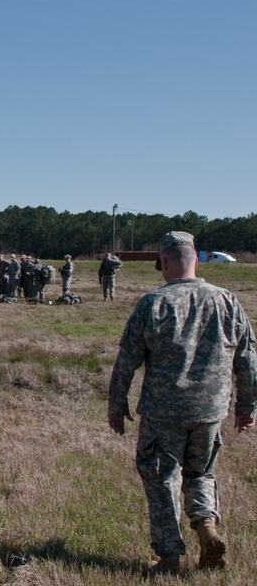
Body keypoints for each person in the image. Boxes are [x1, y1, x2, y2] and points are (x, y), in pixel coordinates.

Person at [108, 231, 257, 577]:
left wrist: (117, 406)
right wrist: (247, 407)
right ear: (196, 259)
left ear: (167, 261)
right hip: (209, 413)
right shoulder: (228, 302)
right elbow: (248, 360)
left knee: (161, 479)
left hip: (164, 412)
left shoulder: (154, 303)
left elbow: (127, 360)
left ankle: (169, 558)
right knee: (201, 472)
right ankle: (206, 526)